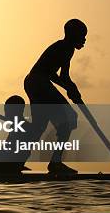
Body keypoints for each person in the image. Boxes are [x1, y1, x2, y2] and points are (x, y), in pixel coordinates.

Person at [24, 18, 87, 175]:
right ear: (73, 35)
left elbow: (62, 76)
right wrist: (71, 88)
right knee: (70, 117)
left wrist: (71, 88)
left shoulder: (65, 48)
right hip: (39, 83)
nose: (84, 40)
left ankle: (17, 161)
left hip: (33, 82)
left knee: (39, 126)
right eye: (82, 35)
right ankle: (55, 162)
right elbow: (56, 76)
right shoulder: (65, 47)